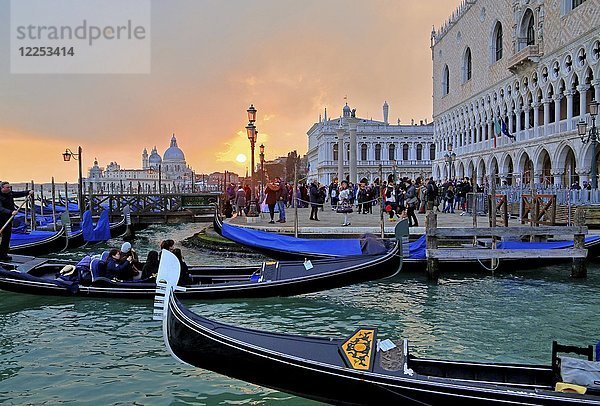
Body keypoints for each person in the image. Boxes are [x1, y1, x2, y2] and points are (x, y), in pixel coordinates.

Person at [0, 181, 33, 260]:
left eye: (9, 187)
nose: (9, 188)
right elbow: (0, 208)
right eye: (7, 187)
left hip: (9, 218)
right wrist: (10, 212)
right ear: (2, 188)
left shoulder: (10, 193)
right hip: (1, 218)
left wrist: (28, 192)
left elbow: (18, 194)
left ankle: (3, 254)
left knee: (6, 237)